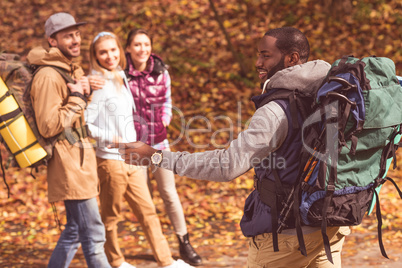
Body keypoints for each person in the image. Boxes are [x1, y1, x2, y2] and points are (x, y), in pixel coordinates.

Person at [111, 27, 351, 267]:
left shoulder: (276, 110)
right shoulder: (331, 93)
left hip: (287, 234)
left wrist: (156, 157)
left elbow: (227, 166)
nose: (258, 62)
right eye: (258, 55)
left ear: (292, 59)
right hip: (328, 225)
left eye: (266, 55)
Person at [85, 31, 194, 268]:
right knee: (111, 216)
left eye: (113, 50)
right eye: (103, 52)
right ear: (95, 55)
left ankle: (167, 261)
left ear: (119, 51)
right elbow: (86, 122)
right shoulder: (97, 82)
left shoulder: (119, 77)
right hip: (111, 160)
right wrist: (110, 138)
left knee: (148, 212)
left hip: (133, 157)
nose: (110, 55)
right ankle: (115, 261)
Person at [26, 12, 111, 268]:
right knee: (94, 235)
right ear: (52, 41)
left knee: (74, 230)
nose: (75, 40)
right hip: (69, 165)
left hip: (81, 161)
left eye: (76, 34)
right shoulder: (48, 77)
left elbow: (77, 118)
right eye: (67, 36)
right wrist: (77, 97)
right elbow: (49, 125)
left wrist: (86, 92)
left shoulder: (70, 69)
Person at [124, 28, 202, 266]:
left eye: (146, 44)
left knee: (169, 194)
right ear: (128, 48)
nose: (142, 49)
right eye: (137, 45)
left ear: (151, 47)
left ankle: (184, 243)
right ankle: (159, 247)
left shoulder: (161, 71)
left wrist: (165, 118)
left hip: (159, 144)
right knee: (144, 199)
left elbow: (167, 99)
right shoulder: (120, 74)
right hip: (134, 147)